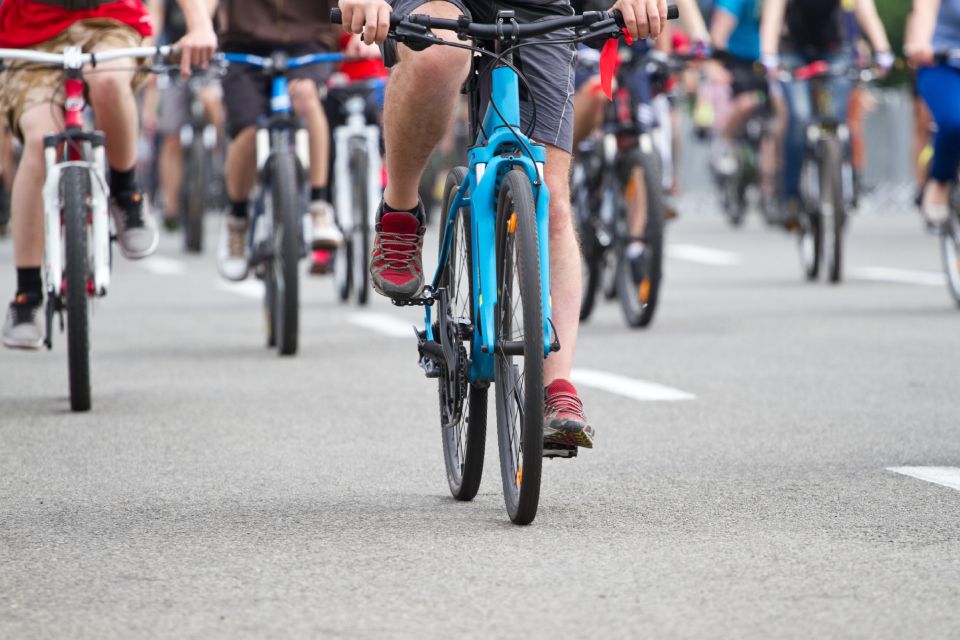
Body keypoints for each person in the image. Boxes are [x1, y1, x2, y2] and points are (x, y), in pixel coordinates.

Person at [338, 0, 673, 449]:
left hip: (539, 7)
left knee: (549, 198)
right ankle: (400, 210)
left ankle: (556, 389)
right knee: (439, 55)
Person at [0, 0, 216, 350]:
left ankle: (126, 194)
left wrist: (200, 25)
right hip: (30, 33)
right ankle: (26, 296)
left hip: (109, 21)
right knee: (42, 144)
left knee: (109, 81)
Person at [215, 0, 343, 282]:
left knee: (307, 97)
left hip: (308, 43)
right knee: (248, 129)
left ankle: (320, 207)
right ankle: (237, 220)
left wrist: (362, 35)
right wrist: (199, 28)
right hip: (244, 47)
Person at [760, 0, 892, 227]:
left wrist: (882, 49)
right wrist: (769, 57)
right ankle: (791, 197)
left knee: (838, 115)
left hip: (835, 50)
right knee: (800, 117)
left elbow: (865, 10)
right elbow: (773, 15)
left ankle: (846, 185)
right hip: (794, 51)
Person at [146, 0, 224, 231]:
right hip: (174, 60)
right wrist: (148, 49)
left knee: (212, 102)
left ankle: (220, 154)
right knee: (172, 138)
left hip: (210, 60)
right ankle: (170, 206)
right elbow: (154, 21)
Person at [906, 0, 960, 226]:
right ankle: (939, 180)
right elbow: (924, 10)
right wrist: (921, 42)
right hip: (942, 61)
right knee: (952, 122)